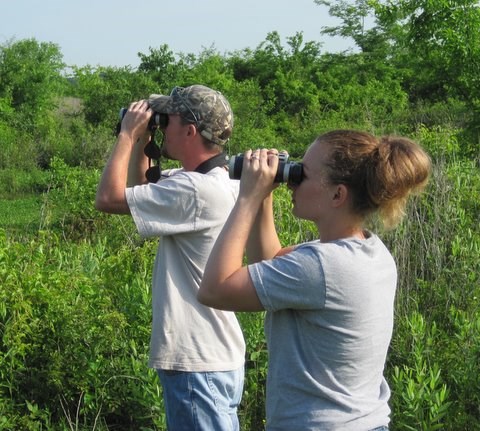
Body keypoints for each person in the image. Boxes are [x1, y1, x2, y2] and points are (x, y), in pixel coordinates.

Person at [198, 130, 431, 430]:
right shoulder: (370, 253)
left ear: (338, 194)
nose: (291, 180)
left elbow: (214, 290)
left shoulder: (320, 267)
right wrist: (264, 198)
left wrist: (247, 198)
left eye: (302, 174)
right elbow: (270, 263)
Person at [95, 85, 246, 431]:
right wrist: (145, 142)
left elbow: (108, 198)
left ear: (190, 131)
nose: (161, 127)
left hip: (197, 360)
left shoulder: (194, 190)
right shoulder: (216, 182)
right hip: (214, 355)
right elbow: (142, 188)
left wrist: (127, 136)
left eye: (168, 121)